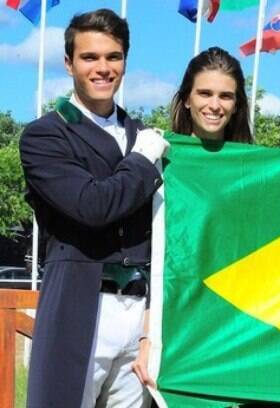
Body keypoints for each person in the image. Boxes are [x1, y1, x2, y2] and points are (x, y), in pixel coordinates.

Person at [20, 9, 169, 407]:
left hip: (141, 314)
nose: (103, 68)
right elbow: (92, 206)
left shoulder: (144, 135)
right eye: (90, 57)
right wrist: (142, 162)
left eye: (113, 57)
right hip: (81, 306)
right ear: (69, 63)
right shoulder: (43, 135)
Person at [131, 46, 254, 390]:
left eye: (225, 96)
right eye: (204, 93)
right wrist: (147, 338)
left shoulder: (259, 170)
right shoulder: (160, 158)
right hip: (177, 331)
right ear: (186, 98)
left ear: (237, 104)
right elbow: (146, 257)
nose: (214, 105)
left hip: (236, 332)